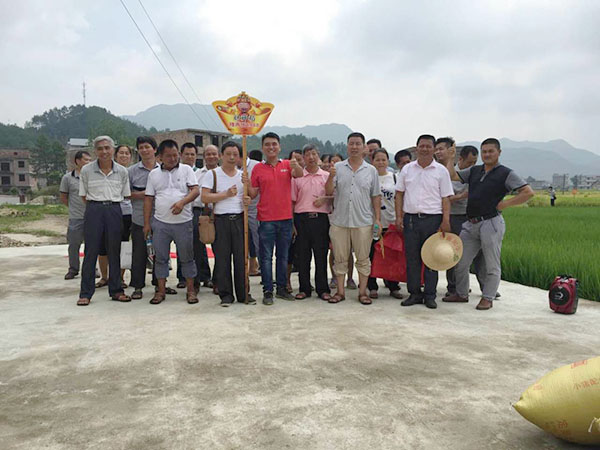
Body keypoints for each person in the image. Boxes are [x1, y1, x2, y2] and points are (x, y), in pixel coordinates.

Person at [443, 138, 534, 310]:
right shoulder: (475, 170)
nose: (487, 154)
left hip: (491, 223)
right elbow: (452, 176)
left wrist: (505, 204)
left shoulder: (506, 173)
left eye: (491, 151)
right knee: (460, 261)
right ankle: (461, 294)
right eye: (484, 151)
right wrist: (450, 158)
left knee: (491, 263)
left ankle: (488, 297)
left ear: (499, 152)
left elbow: (528, 192)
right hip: (471, 224)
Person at [394, 134, 453, 309]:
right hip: (411, 219)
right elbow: (399, 194)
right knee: (412, 258)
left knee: (431, 259)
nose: (425, 149)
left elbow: (446, 198)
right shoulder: (407, 169)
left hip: (433, 219)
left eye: (428, 146)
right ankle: (414, 293)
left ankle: (429, 295)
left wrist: (446, 220)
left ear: (433, 149)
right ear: (416, 148)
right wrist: (399, 217)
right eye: (422, 146)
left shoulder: (441, 171)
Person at [247, 132, 303, 305]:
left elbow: (299, 174)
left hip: (286, 219)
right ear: (262, 148)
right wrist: (246, 183)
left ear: (279, 147)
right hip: (266, 220)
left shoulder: (287, 164)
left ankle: (281, 288)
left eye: (274, 144)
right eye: (267, 144)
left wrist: (296, 165)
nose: (271, 147)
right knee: (265, 257)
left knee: (283, 256)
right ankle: (268, 290)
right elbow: (253, 193)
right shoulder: (257, 169)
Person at [326, 132, 381, 305]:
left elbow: (376, 196)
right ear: (347, 146)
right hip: (340, 221)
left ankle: (362, 292)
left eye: (358, 144)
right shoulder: (338, 167)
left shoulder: (371, 170)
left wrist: (377, 219)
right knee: (340, 258)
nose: (354, 147)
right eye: (351, 143)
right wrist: (330, 176)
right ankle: (340, 292)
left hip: (363, 222)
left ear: (364, 147)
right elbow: (328, 191)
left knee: (363, 259)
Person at [144, 139, 200, 305]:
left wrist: (182, 203)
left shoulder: (186, 170)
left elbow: (195, 191)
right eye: (168, 156)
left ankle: (190, 290)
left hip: (184, 222)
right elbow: (148, 199)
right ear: (160, 157)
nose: (173, 159)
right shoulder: (153, 174)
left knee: (187, 258)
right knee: (160, 258)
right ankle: (161, 291)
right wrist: (147, 223)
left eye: (175, 155)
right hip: (160, 223)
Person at [77, 136, 131, 305]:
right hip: (94, 210)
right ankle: (85, 293)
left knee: (114, 251)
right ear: (95, 151)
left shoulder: (122, 171)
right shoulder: (86, 170)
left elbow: (125, 194)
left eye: (107, 148)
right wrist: (97, 206)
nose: (104, 151)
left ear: (113, 150)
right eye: (100, 149)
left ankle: (116, 290)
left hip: (114, 210)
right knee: (91, 251)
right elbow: (84, 195)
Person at [202, 141, 254, 307]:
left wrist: (248, 196)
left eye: (235, 154)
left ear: (239, 157)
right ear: (221, 156)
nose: (232, 157)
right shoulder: (213, 174)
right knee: (222, 259)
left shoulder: (243, 175)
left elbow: (250, 195)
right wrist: (225, 194)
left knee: (241, 259)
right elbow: (204, 197)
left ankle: (244, 293)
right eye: (228, 154)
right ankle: (225, 295)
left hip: (239, 219)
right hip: (220, 220)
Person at [434, 139, 479, 296]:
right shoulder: (450, 173)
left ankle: (466, 286)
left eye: (474, 162)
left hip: (469, 216)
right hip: (453, 217)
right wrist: (461, 196)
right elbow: (444, 197)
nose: (472, 166)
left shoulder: (474, 174)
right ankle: (453, 287)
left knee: (469, 254)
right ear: (460, 159)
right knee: (453, 252)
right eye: (469, 162)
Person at [291, 144, 332, 300]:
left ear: (318, 156)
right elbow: (292, 201)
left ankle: (323, 289)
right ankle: (304, 288)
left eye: (314, 154)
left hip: (321, 219)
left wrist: (325, 199)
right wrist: (292, 223)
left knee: (321, 255)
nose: (311, 157)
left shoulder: (326, 176)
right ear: (303, 158)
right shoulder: (297, 177)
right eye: (307, 154)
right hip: (301, 219)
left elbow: (334, 196)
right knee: (303, 256)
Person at [128, 136, 166, 300]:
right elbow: (125, 194)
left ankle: (160, 285)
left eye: (147, 147)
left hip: (161, 218)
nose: (144, 150)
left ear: (155, 149)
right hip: (138, 218)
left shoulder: (164, 169)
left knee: (160, 254)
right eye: (141, 147)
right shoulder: (131, 171)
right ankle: (137, 287)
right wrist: (145, 194)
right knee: (139, 254)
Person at [176, 142, 213, 292]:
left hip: (202, 211)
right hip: (184, 211)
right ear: (181, 155)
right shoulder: (176, 172)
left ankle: (205, 276)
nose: (190, 157)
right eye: (187, 154)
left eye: (192, 154)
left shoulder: (198, 173)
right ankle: (183, 277)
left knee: (200, 245)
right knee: (184, 244)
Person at [367, 149, 403, 299]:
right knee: (371, 255)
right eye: (377, 160)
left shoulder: (394, 178)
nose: (381, 162)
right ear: (372, 161)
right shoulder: (368, 177)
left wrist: (400, 218)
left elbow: (400, 198)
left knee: (391, 256)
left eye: (383, 160)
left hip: (390, 222)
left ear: (388, 161)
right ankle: (372, 286)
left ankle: (393, 286)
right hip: (372, 223)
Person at [96, 144, 133, 289]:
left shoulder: (132, 172)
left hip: (126, 214)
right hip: (106, 213)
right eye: (121, 153)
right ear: (115, 155)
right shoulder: (108, 171)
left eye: (127, 153)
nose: (124, 156)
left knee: (122, 246)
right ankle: (104, 277)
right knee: (102, 246)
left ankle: (119, 278)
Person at [327, 153, 358, 290]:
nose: (334, 164)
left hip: (349, 216)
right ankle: (334, 277)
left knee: (348, 250)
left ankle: (350, 278)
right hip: (333, 217)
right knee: (334, 250)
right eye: (331, 162)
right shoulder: (328, 176)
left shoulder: (347, 174)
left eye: (337, 161)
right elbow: (328, 192)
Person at [60, 150, 91, 280]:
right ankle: (73, 269)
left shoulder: (92, 177)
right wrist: (73, 208)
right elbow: (64, 197)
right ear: (77, 161)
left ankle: (91, 269)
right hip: (76, 217)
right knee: (74, 244)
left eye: (90, 160)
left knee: (91, 245)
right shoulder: (68, 178)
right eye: (85, 160)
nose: (88, 162)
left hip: (92, 217)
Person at [236, 146, 261, 277]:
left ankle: (263, 269)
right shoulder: (231, 168)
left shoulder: (257, 166)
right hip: (237, 211)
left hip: (255, 211)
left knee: (258, 242)